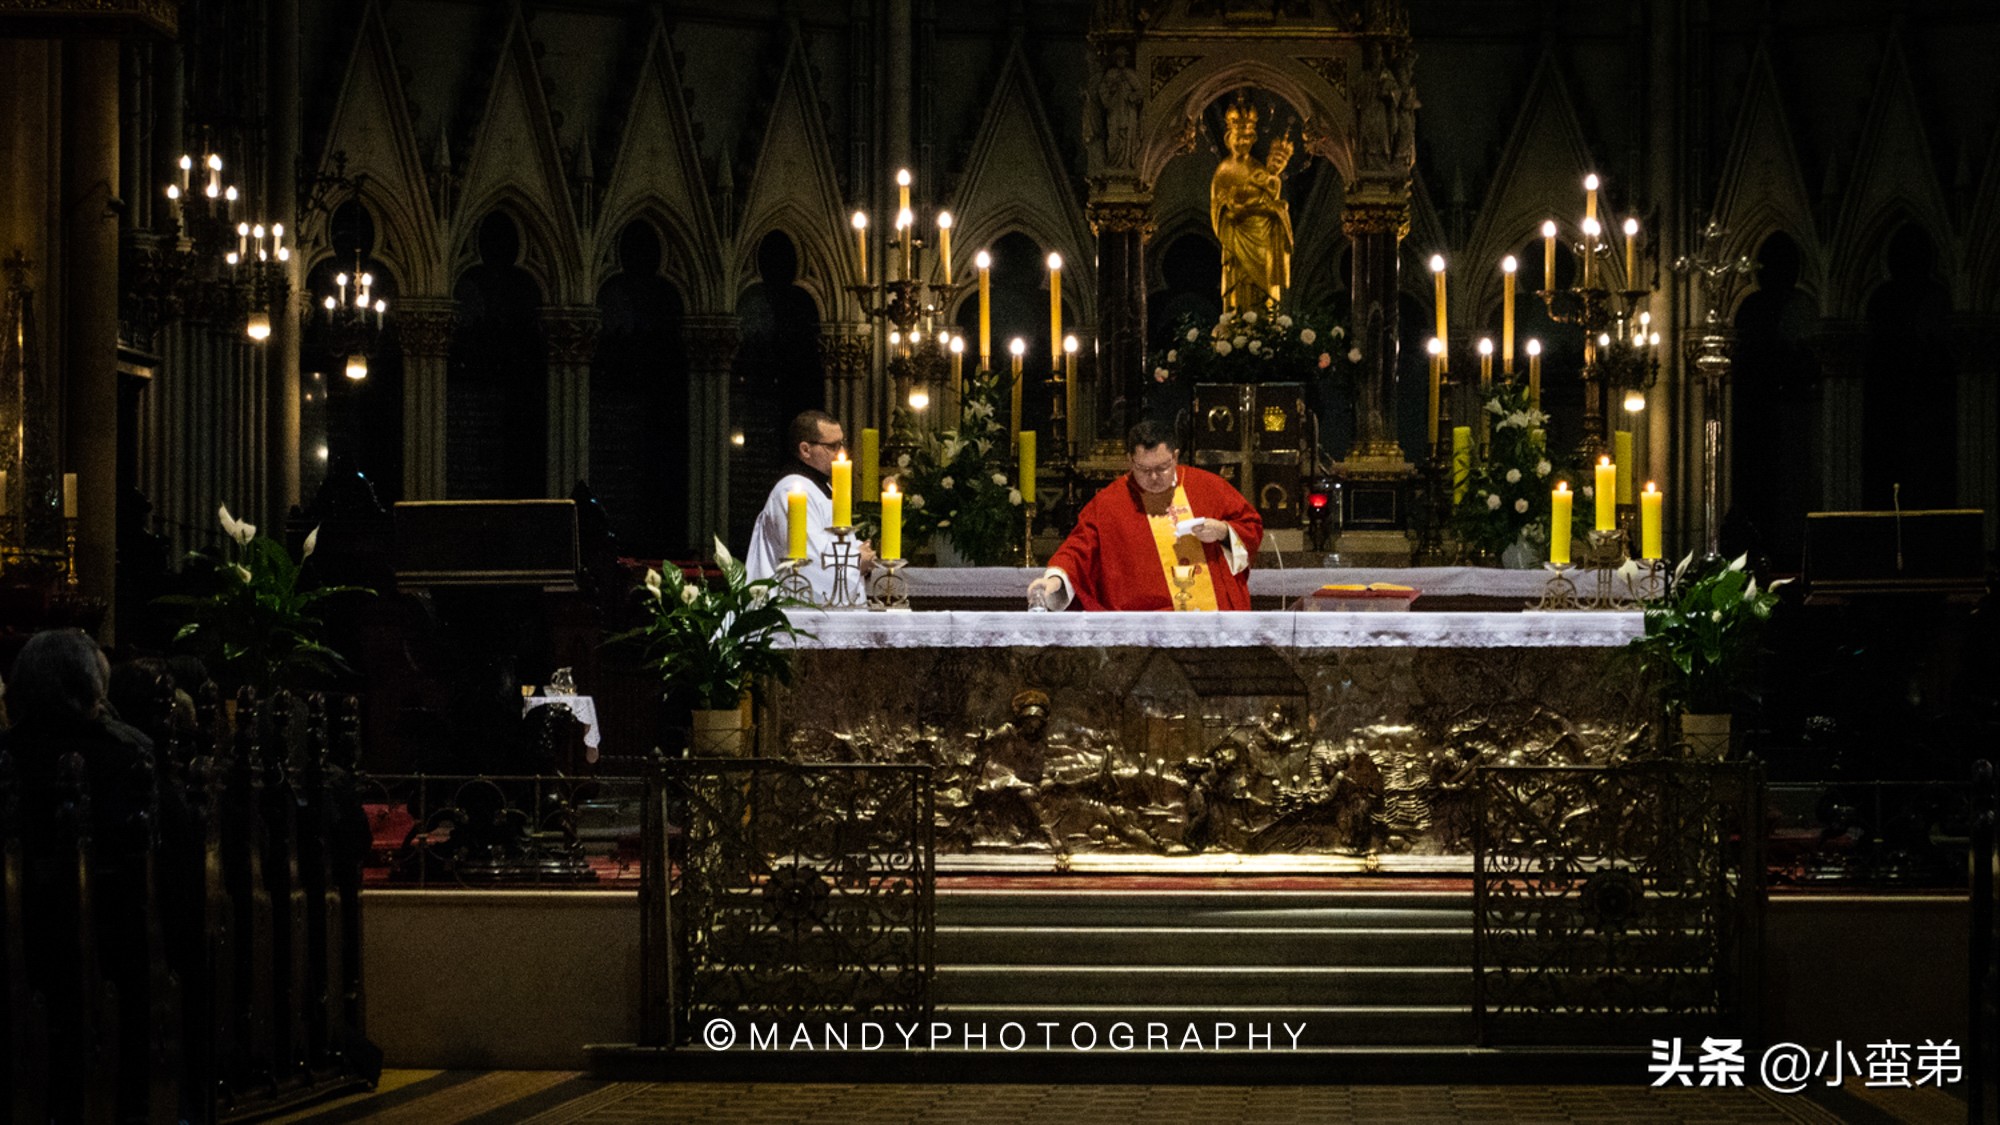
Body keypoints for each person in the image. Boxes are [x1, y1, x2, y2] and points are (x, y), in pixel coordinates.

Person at [1027, 419, 1263, 611]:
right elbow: (1078, 550)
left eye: (1162, 467)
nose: (1154, 478)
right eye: (1144, 469)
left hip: (1213, 616)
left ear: (1176, 456)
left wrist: (1223, 531)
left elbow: (1251, 526)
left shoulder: (1207, 487)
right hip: (1143, 625)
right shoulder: (1109, 503)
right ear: (1130, 461)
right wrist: (1054, 581)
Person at [744, 409, 873, 599]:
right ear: (805, 449)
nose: (842, 453)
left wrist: (861, 552)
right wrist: (855, 561)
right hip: (792, 605)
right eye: (833, 446)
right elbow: (808, 556)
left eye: (842, 444)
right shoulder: (792, 490)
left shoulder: (821, 488)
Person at [1210, 98, 1294, 318]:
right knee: (1240, 282)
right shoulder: (1225, 170)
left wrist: (1270, 205)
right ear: (1230, 137)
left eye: (1248, 137)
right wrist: (1242, 206)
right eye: (1240, 136)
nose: (1244, 142)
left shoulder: (1260, 169)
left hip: (1262, 239)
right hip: (1237, 239)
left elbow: (1272, 198)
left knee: (1264, 293)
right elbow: (1220, 207)